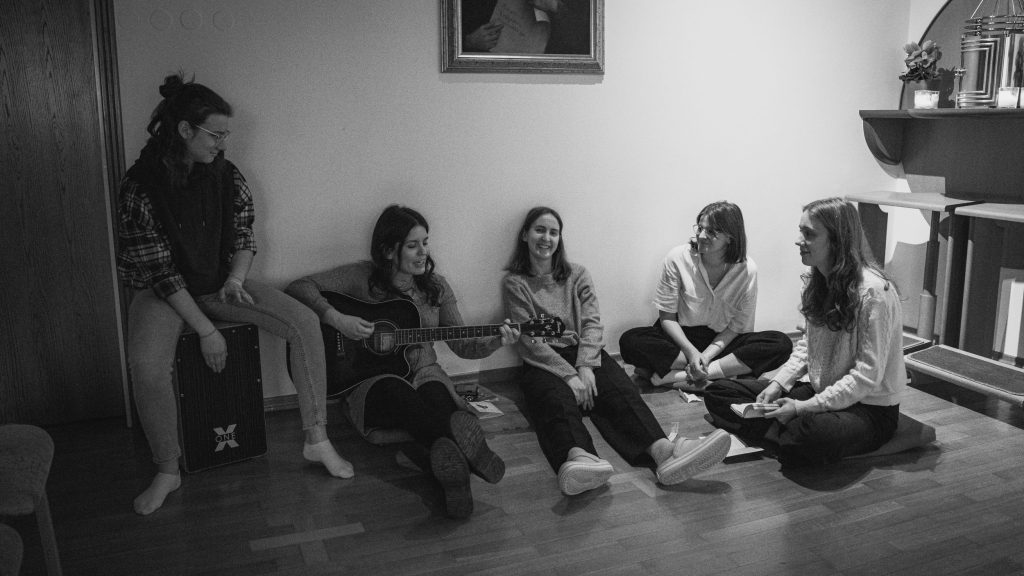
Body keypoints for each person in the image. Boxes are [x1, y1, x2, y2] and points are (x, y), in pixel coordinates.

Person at [118, 74, 352, 516]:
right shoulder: (140, 186)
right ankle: (167, 468)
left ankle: (317, 439)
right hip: (161, 294)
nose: (223, 143)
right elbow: (162, 275)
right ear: (184, 130)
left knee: (305, 322)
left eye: (227, 134)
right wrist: (207, 331)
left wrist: (236, 280)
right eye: (215, 134)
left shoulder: (227, 174)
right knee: (146, 366)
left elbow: (244, 235)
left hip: (218, 282)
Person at [285, 205, 519, 519]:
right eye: (412, 245)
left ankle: (454, 475)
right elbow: (298, 288)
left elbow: (463, 344)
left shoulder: (436, 287)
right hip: (374, 380)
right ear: (388, 250)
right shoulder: (361, 277)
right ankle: (467, 456)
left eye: (425, 242)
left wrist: (495, 342)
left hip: (425, 373)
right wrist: (337, 319)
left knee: (439, 403)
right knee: (403, 398)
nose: (423, 252)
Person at [501, 206, 731, 496]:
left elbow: (592, 324)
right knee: (554, 401)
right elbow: (530, 342)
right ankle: (579, 458)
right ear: (525, 235)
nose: (546, 238)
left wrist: (585, 366)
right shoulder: (515, 283)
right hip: (543, 361)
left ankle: (665, 453)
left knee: (622, 392)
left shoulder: (577, 274)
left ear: (560, 238)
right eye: (539, 230)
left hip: (584, 351)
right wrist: (569, 376)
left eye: (553, 232)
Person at [702, 197, 906, 466]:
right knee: (718, 393)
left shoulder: (874, 293)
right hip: (821, 393)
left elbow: (866, 376)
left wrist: (802, 408)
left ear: (837, 240)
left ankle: (781, 434)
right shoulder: (815, 281)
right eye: (801, 231)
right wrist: (777, 384)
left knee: (809, 434)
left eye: (809, 234)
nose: (798, 241)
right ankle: (783, 435)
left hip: (868, 408)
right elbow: (806, 348)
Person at [619, 201, 792, 391]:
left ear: (730, 237)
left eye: (711, 232)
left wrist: (706, 357)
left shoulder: (747, 270)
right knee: (630, 340)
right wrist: (692, 353)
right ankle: (724, 372)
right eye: (700, 228)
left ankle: (677, 376)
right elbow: (667, 317)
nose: (701, 236)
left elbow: (736, 327)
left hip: (721, 342)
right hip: (680, 339)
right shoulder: (677, 258)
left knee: (781, 343)